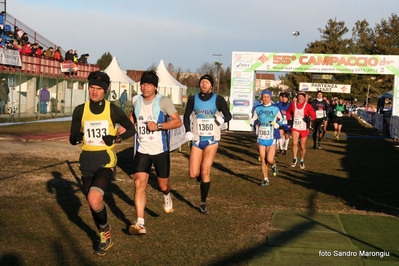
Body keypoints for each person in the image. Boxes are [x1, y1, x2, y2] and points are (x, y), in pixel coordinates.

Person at [69, 70, 136, 256]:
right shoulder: (80, 110)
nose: (94, 91)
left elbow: (131, 129)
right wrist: (76, 138)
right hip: (86, 162)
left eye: (98, 88)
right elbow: (72, 136)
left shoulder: (112, 109)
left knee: (93, 198)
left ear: (105, 90)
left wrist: (115, 139)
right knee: (93, 203)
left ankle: (105, 233)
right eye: (92, 87)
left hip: (106, 160)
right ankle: (103, 232)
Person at [128, 69, 182, 235]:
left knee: (162, 185)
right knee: (139, 182)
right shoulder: (136, 100)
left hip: (160, 150)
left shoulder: (163, 101)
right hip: (142, 149)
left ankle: (166, 194)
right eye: (143, 84)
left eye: (149, 85)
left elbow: (177, 122)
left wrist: (158, 126)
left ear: (155, 87)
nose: (144, 87)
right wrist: (124, 126)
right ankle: (140, 223)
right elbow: (133, 117)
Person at [183, 74, 232, 214]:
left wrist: (222, 119)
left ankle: (203, 203)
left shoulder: (218, 99)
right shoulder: (193, 99)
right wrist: (187, 131)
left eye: (207, 82)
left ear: (211, 85)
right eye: (202, 82)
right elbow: (186, 116)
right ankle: (200, 176)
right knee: (193, 174)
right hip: (197, 139)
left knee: (205, 170)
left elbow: (229, 115)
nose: (204, 85)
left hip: (212, 140)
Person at [250, 90, 282, 186]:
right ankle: (265, 179)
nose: (266, 99)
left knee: (269, 159)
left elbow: (282, 119)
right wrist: (251, 121)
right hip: (261, 137)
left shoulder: (275, 108)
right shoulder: (258, 108)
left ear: (270, 98)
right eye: (264, 97)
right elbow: (254, 118)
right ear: (262, 97)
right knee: (263, 159)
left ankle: (273, 165)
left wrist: (277, 124)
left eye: (268, 97)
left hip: (271, 137)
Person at [286, 91, 316, 169]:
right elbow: (288, 112)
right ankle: (295, 158)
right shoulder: (293, 105)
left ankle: (302, 160)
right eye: (299, 97)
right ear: (297, 97)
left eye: (302, 97)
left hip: (303, 128)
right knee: (294, 143)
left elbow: (314, 116)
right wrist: (289, 119)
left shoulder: (308, 106)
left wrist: (309, 118)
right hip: (295, 127)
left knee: (302, 146)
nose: (300, 99)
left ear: (304, 98)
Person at [275, 92, 291, 156]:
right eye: (283, 97)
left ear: (288, 98)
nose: (284, 99)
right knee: (280, 135)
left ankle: (285, 149)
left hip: (287, 122)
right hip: (280, 122)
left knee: (287, 136)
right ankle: (281, 149)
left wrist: (290, 121)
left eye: (286, 97)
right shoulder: (278, 104)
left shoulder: (290, 105)